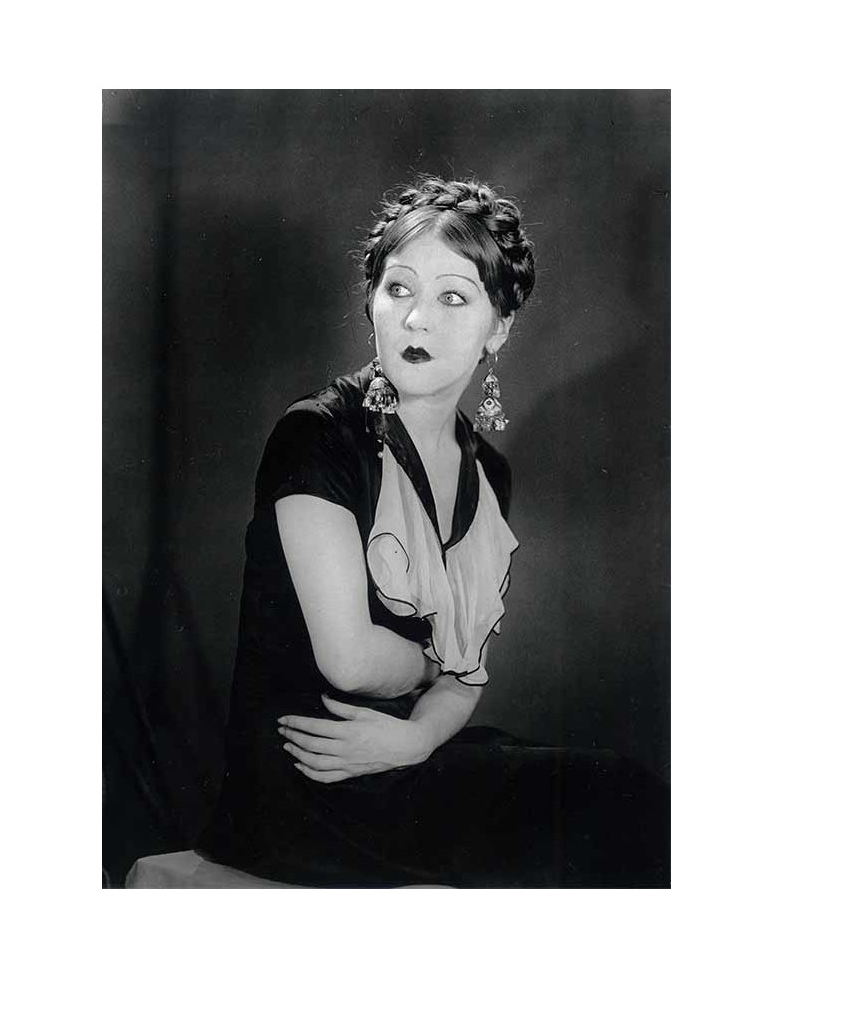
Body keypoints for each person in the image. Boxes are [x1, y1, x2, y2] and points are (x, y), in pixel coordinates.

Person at [196, 177, 668, 887]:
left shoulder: (488, 474)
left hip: (407, 758)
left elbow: (465, 677)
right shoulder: (317, 435)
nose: (417, 319)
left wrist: (418, 735)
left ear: (498, 327)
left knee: (626, 796)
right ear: (371, 303)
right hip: (309, 786)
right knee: (617, 802)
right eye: (399, 290)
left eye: (453, 297)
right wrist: (428, 669)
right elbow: (351, 661)